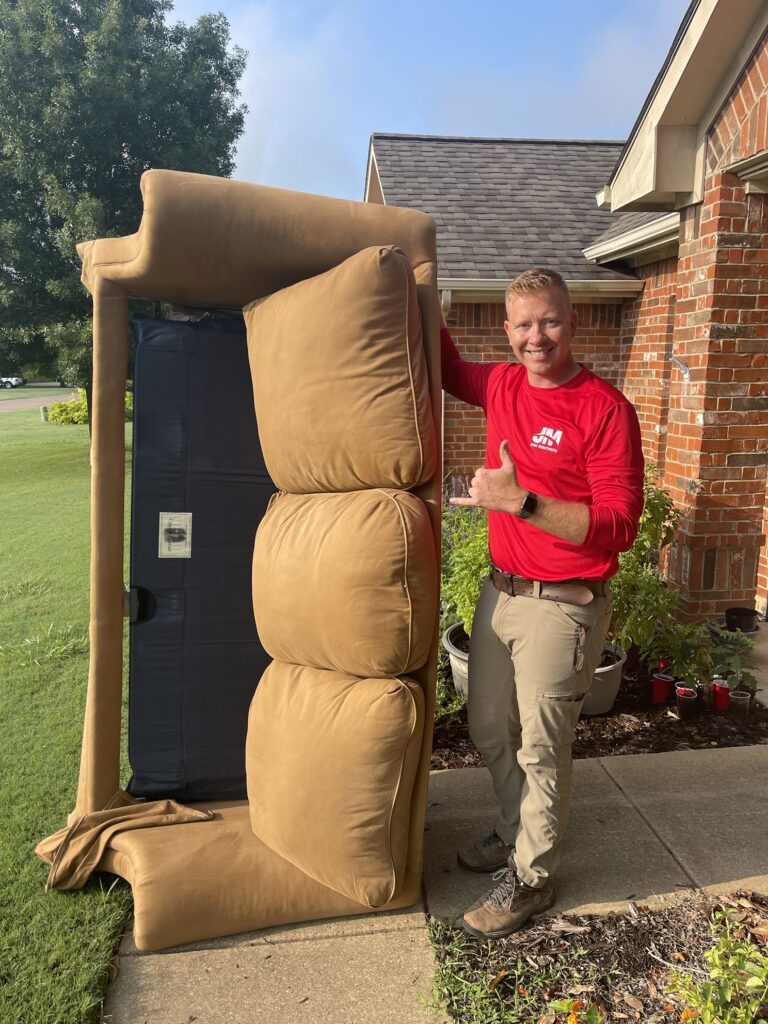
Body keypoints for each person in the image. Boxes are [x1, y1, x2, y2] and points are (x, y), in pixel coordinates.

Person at [441, 268, 644, 939]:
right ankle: (511, 829)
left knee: (542, 748)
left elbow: (618, 524)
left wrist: (519, 502)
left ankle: (531, 878)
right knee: (489, 728)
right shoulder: (500, 383)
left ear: (572, 322)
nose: (537, 337)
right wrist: (413, 280)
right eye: (523, 325)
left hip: (564, 607)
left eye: (549, 321)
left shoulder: (604, 409)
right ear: (507, 330)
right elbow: (443, 363)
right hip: (500, 593)